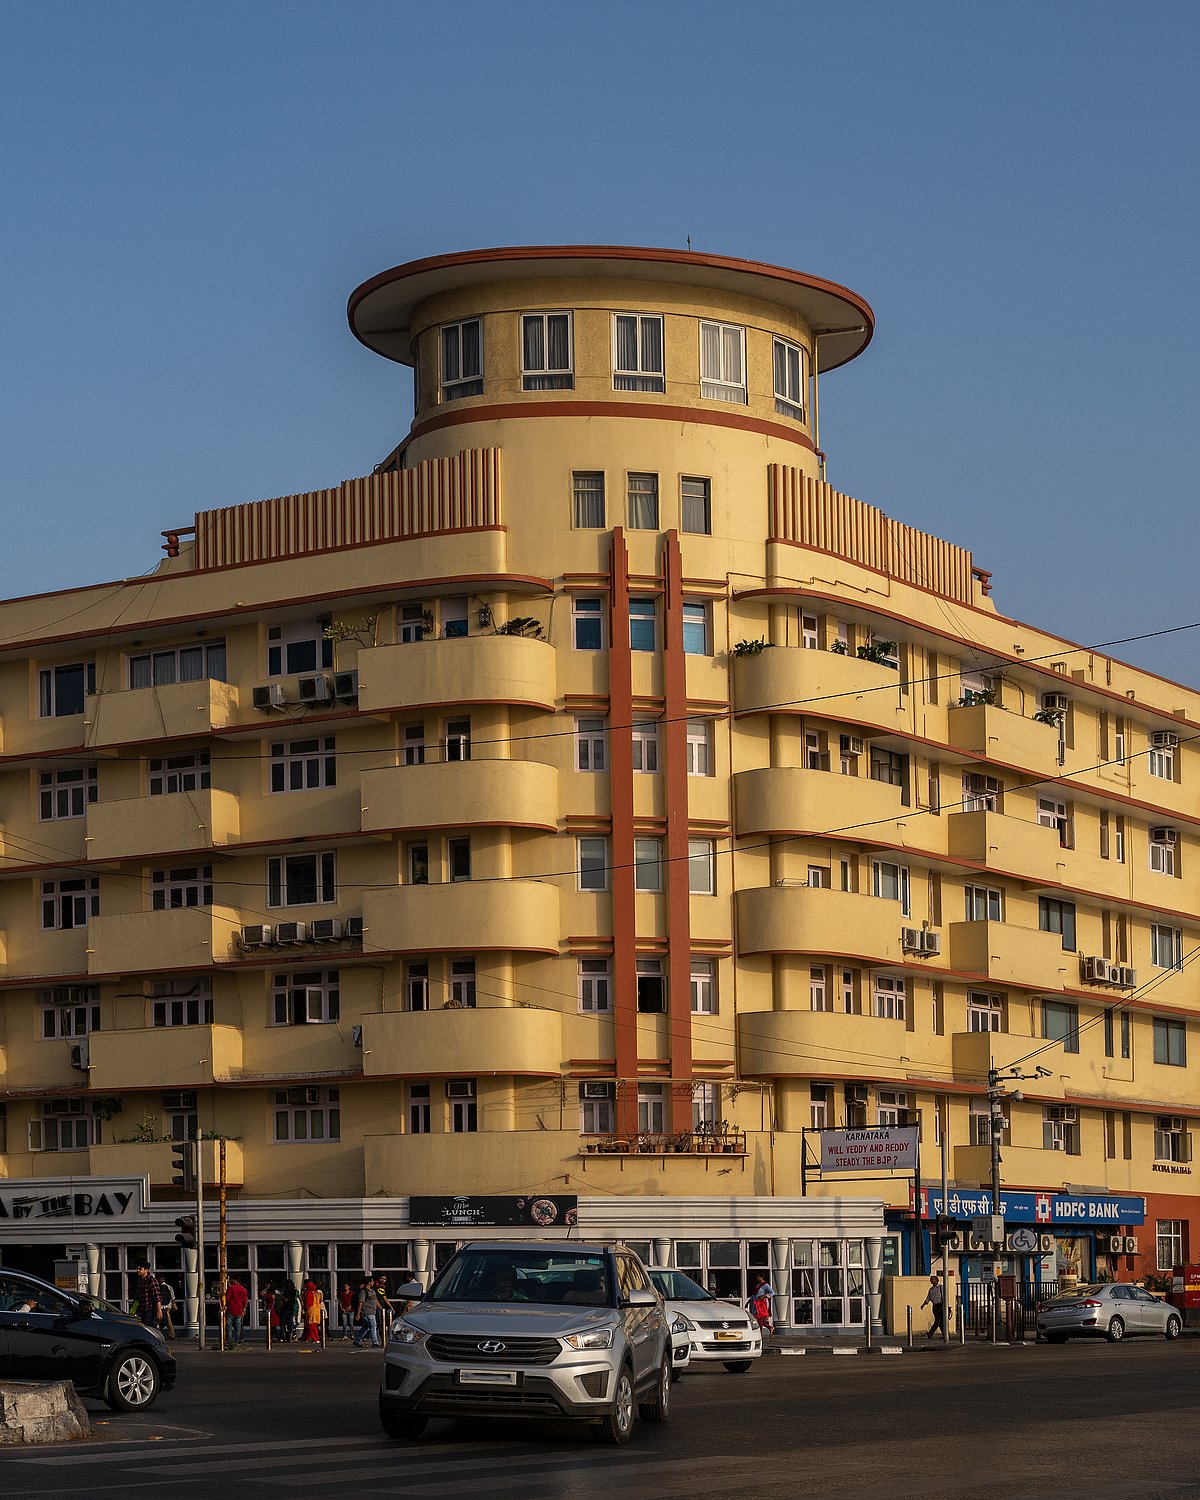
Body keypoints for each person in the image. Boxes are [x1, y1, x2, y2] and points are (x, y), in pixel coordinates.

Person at [132, 1261, 163, 1331]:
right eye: (137, 1269)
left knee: (148, 1328)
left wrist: (159, 1310)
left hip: (149, 1309)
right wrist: (133, 1310)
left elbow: (157, 1296)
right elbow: (137, 1297)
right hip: (140, 1310)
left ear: (146, 1270)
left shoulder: (151, 1280)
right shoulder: (140, 1280)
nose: (138, 1270)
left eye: (140, 1269)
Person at [353, 1277, 380, 1348]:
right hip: (367, 1311)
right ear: (369, 1282)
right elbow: (360, 1303)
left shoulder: (373, 1290)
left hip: (373, 1311)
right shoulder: (363, 1291)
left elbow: (376, 1301)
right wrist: (358, 1314)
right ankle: (375, 1342)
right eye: (372, 1281)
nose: (373, 1282)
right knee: (373, 1325)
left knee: (366, 1326)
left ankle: (357, 1340)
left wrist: (381, 1308)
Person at [224, 1276, 250, 1346]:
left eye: (231, 1280)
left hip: (231, 1309)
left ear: (235, 1280)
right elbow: (244, 1301)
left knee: (229, 1325)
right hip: (239, 1309)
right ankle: (237, 1340)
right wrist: (243, 1308)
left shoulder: (232, 1288)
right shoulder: (244, 1289)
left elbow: (227, 1298)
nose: (230, 1281)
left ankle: (229, 1340)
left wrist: (226, 1305)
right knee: (238, 1325)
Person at [921, 1272, 945, 1338]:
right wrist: (923, 1304)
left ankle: (931, 1333)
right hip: (935, 1306)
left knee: (938, 1321)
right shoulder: (931, 1290)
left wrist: (944, 1305)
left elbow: (944, 1296)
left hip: (941, 1305)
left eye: (933, 1279)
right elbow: (928, 1298)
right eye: (931, 1279)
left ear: (937, 1280)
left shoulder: (941, 1287)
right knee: (940, 1322)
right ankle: (945, 1335)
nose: (931, 1281)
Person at [302, 1278, 324, 1343]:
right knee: (314, 1325)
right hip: (317, 1310)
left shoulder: (309, 1294)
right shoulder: (317, 1293)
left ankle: (315, 1338)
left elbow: (308, 1304)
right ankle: (308, 1338)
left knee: (312, 1326)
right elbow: (321, 1300)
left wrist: (305, 1311)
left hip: (311, 1311)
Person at [373, 1275, 392, 1344]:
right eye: (382, 1278)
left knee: (379, 1324)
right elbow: (383, 1298)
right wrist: (382, 1307)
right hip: (378, 1308)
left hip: (381, 1308)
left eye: (384, 1279)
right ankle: (380, 1339)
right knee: (379, 1324)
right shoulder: (378, 1287)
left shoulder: (382, 1287)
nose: (383, 1280)